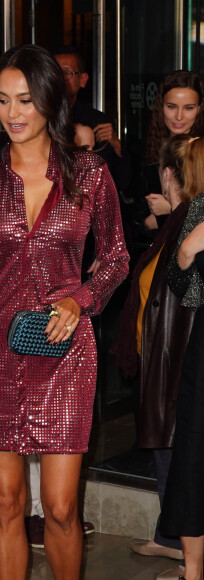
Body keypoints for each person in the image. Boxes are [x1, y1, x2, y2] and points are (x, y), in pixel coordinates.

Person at [0, 44, 129, 579]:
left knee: (58, 508)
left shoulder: (89, 175)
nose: (12, 113)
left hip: (65, 355)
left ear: (51, 103)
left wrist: (81, 301)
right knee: (6, 504)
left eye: (26, 100)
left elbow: (117, 258)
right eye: (3, 100)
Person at [112, 134, 198, 580]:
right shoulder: (178, 221)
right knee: (171, 459)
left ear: (168, 176)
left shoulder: (188, 223)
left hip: (178, 368)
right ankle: (171, 540)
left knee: (181, 462)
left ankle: (188, 556)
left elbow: (182, 297)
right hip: (166, 363)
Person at [160, 137, 204, 580]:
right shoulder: (200, 208)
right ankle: (193, 570)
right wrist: (189, 250)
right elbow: (182, 285)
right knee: (193, 453)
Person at [53, 45, 132, 193]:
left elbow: (122, 182)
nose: (60, 79)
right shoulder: (37, 117)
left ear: (83, 80)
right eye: (55, 73)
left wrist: (116, 145)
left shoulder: (95, 120)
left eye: (67, 72)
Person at [140, 71, 204, 232]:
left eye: (189, 108)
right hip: (157, 248)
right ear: (161, 107)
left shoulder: (200, 151)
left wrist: (171, 209)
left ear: (199, 109)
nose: (179, 116)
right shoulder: (152, 146)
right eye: (171, 107)